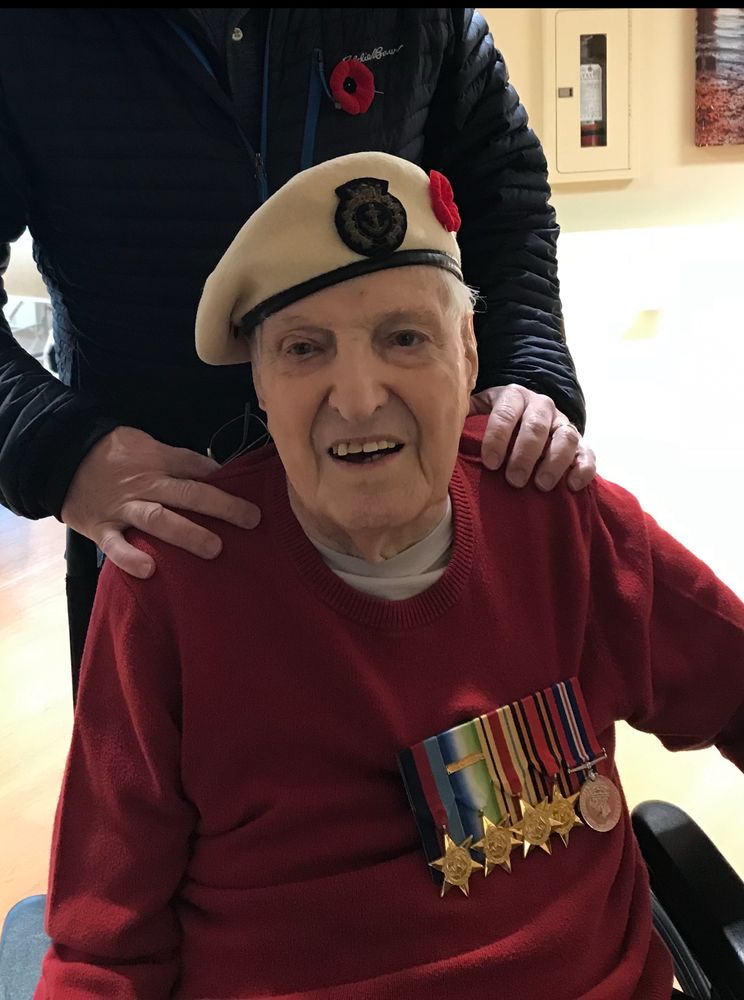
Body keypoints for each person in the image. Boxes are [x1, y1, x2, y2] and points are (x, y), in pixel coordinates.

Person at [32, 153, 743, 1000]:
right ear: (259, 381)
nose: (360, 397)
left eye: (405, 338)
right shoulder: (171, 587)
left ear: (470, 352)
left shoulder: (559, 519)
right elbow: (104, 954)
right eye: (305, 349)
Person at [0, 9, 595, 700]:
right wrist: (61, 452)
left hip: (416, 538)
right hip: (167, 542)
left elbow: (503, 194)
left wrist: (526, 367)